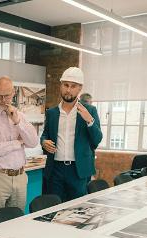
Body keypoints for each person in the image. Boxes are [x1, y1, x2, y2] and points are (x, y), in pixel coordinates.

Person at [40, 67, 102, 202]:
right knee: (54, 209)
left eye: (73, 86)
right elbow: (45, 135)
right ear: (61, 86)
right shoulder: (52, 113)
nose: (68, 90)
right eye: (66, 85)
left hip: (78, 170)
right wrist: (44, 142)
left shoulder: (90, 110)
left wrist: (89, 120)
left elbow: (97, 140)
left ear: (79, 88)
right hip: (55, 169)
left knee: (77, 210)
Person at [0, 76, 38, 218]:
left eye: (7, 95)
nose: (4, 99)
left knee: (17, 221)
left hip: (20, 177)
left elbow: (33, 142)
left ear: (13, 93)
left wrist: (17, 121)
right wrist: (17, 143)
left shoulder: (20, 116)